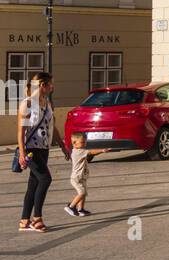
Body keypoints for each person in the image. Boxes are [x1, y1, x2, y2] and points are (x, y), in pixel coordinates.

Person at [16, 72, 69, 232]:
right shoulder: (27, 104)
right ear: (42, 85)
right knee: (45, 179)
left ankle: (24, 220)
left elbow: (53, 127)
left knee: (34, 183)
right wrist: (22, 152)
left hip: (44, 148)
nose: (53, 87)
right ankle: (36, 218)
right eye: (51, 84)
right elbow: (21, 130)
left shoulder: (47, 103)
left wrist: (62, 145)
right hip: (31, 149)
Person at [64, 133, 108, 217]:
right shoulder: (78, 151)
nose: (84, 144)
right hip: (76, 178)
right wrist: (102, 150)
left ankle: (80, 209)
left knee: (84, 193)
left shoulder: (79, 150)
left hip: (81, 177)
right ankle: (71, 207)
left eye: (85, 142)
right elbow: (91, 152)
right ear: (74, 143)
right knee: (82, 192)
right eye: (82, 142)